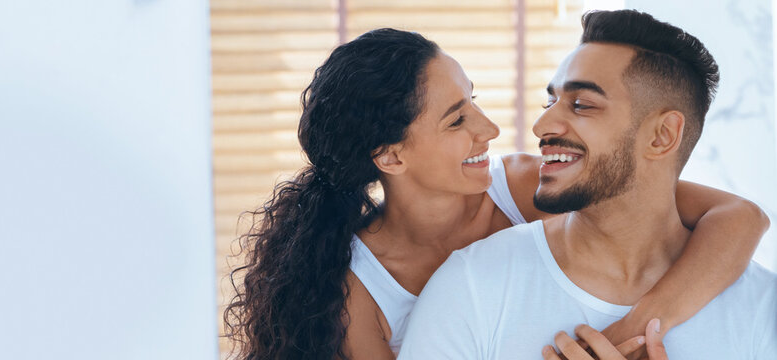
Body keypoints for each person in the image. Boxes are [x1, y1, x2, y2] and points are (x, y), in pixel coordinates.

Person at [223, 28, 770, 360]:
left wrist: (629, 333)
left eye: (475, 101)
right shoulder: (357, 291)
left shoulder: (523, 188)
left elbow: (738, 216)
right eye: (457, 118)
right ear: (391, 157)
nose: (488, 128)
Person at [398, 10, 777, 360]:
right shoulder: (471, 287)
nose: (541, 126)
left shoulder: (763, 309)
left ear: (662, 136)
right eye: (551, 101)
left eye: (581, 104)